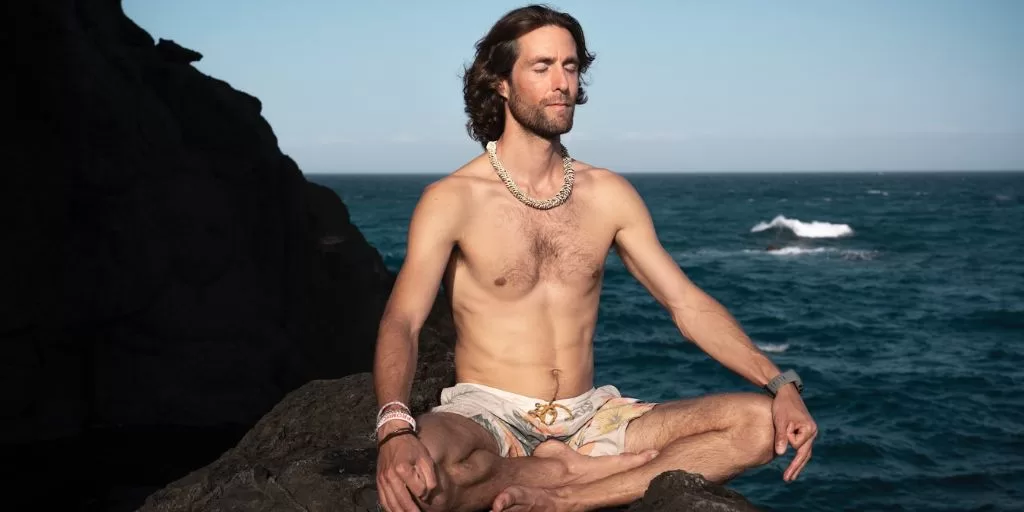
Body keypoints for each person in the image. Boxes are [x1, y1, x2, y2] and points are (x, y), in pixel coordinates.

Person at [371, 5, 817, 511]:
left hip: (594, 417)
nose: (560, 82)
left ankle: (569, 497)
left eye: (570, 66)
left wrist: (778, 382)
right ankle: (547, 472)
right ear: (500, 82)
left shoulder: (608, 194)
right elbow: (403, 321)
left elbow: (685, 305)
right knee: (418, 481)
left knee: (758, 424)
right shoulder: (452, 199)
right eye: (541, 67)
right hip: (488, 414)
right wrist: (394, 427)